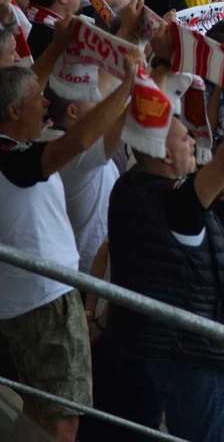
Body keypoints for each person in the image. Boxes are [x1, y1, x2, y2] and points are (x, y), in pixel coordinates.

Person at [108, 76, 224, 441]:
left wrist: (159, 70)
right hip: (198, 356)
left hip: (163, 346)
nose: (193, 142)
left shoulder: (129, 185)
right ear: (166, 156)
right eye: (185, 138)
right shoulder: (176, 202)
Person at [0, 32, 136, 442]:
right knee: (63, 421)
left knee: (40, 410)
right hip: (44, 303)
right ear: (12, 111)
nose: (45, 102)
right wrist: (130, 83)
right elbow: (77, 140)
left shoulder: (12, 144)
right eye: (36, 99)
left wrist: (59, 46)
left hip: (29, 299)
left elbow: (22, 85)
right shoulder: (17, 160)